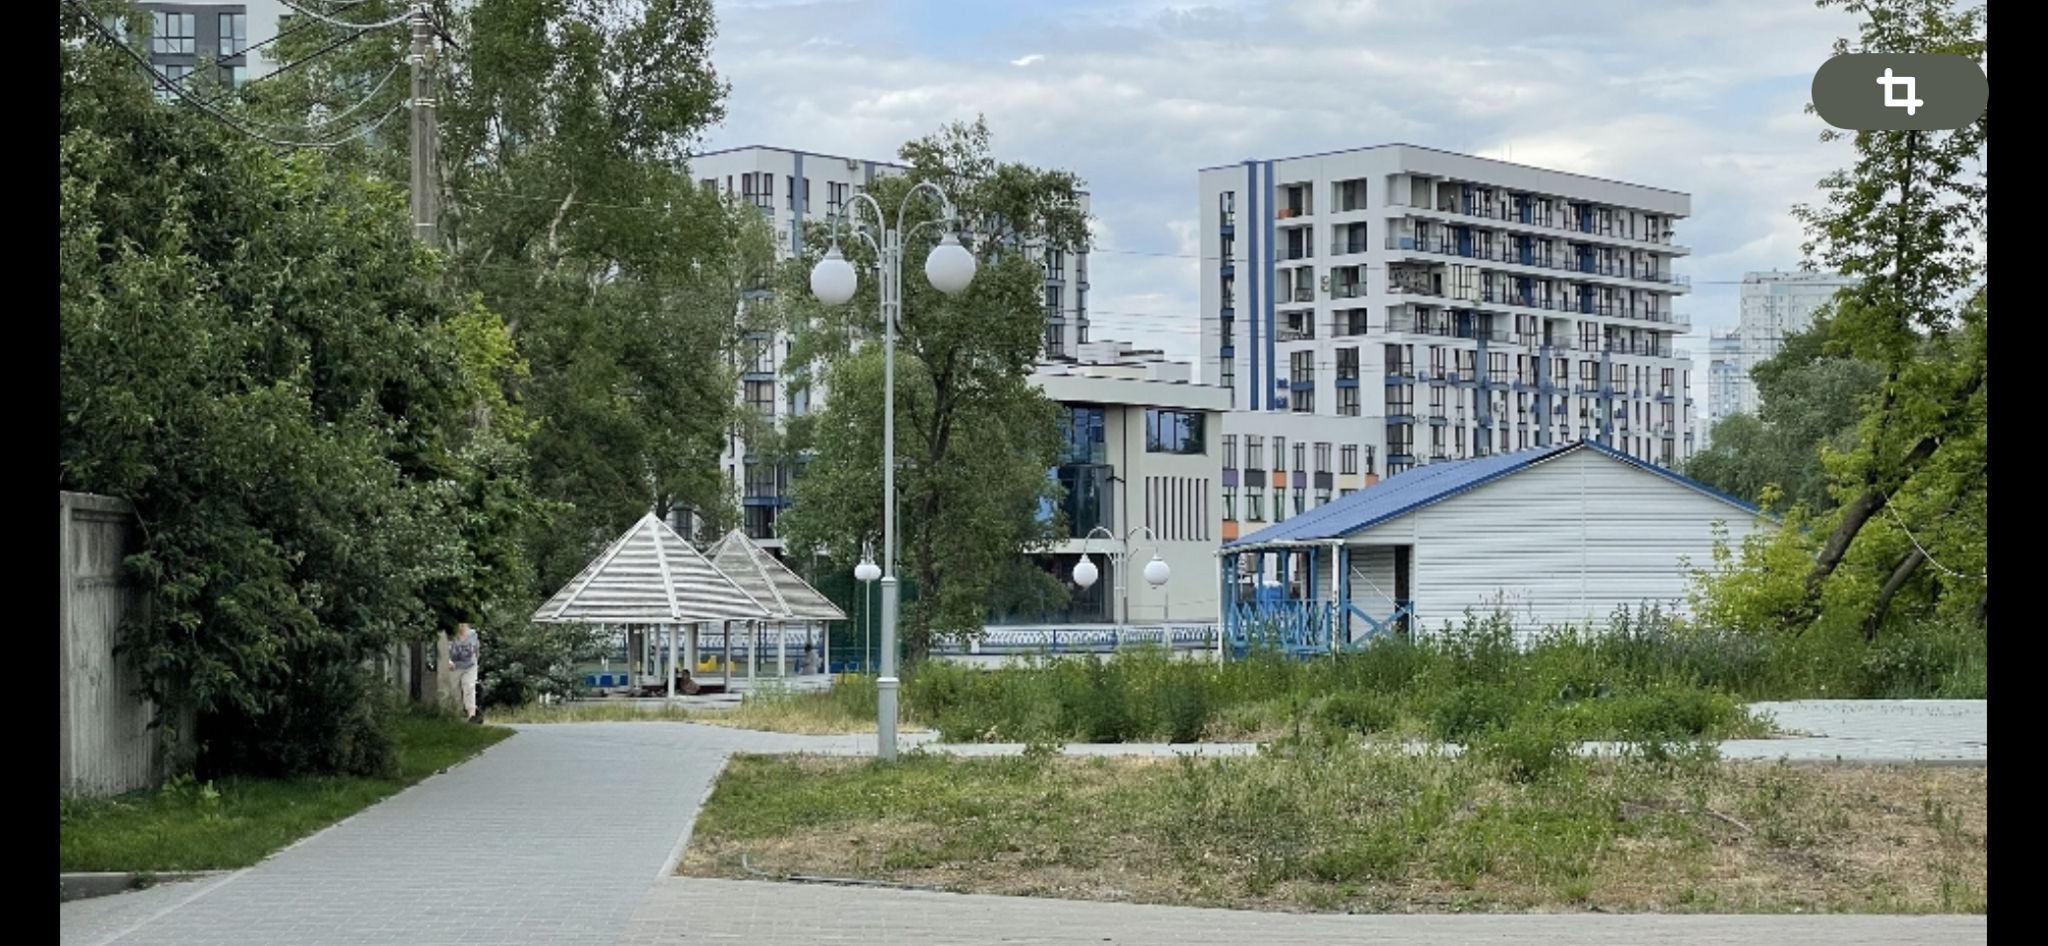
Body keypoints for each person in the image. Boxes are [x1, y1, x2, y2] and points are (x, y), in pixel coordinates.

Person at [449, 622, 481, 723]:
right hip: (454, 667)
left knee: (469, 687)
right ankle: (455, 715)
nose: (461, 627)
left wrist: (476, 661)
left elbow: (476, 650)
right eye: (459, 624)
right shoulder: (451, 636)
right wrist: (448, 661)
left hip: (470, 666)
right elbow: (445, 650)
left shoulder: (473, 634)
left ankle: (472, 716)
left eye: (463, 625)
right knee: (454, 691)